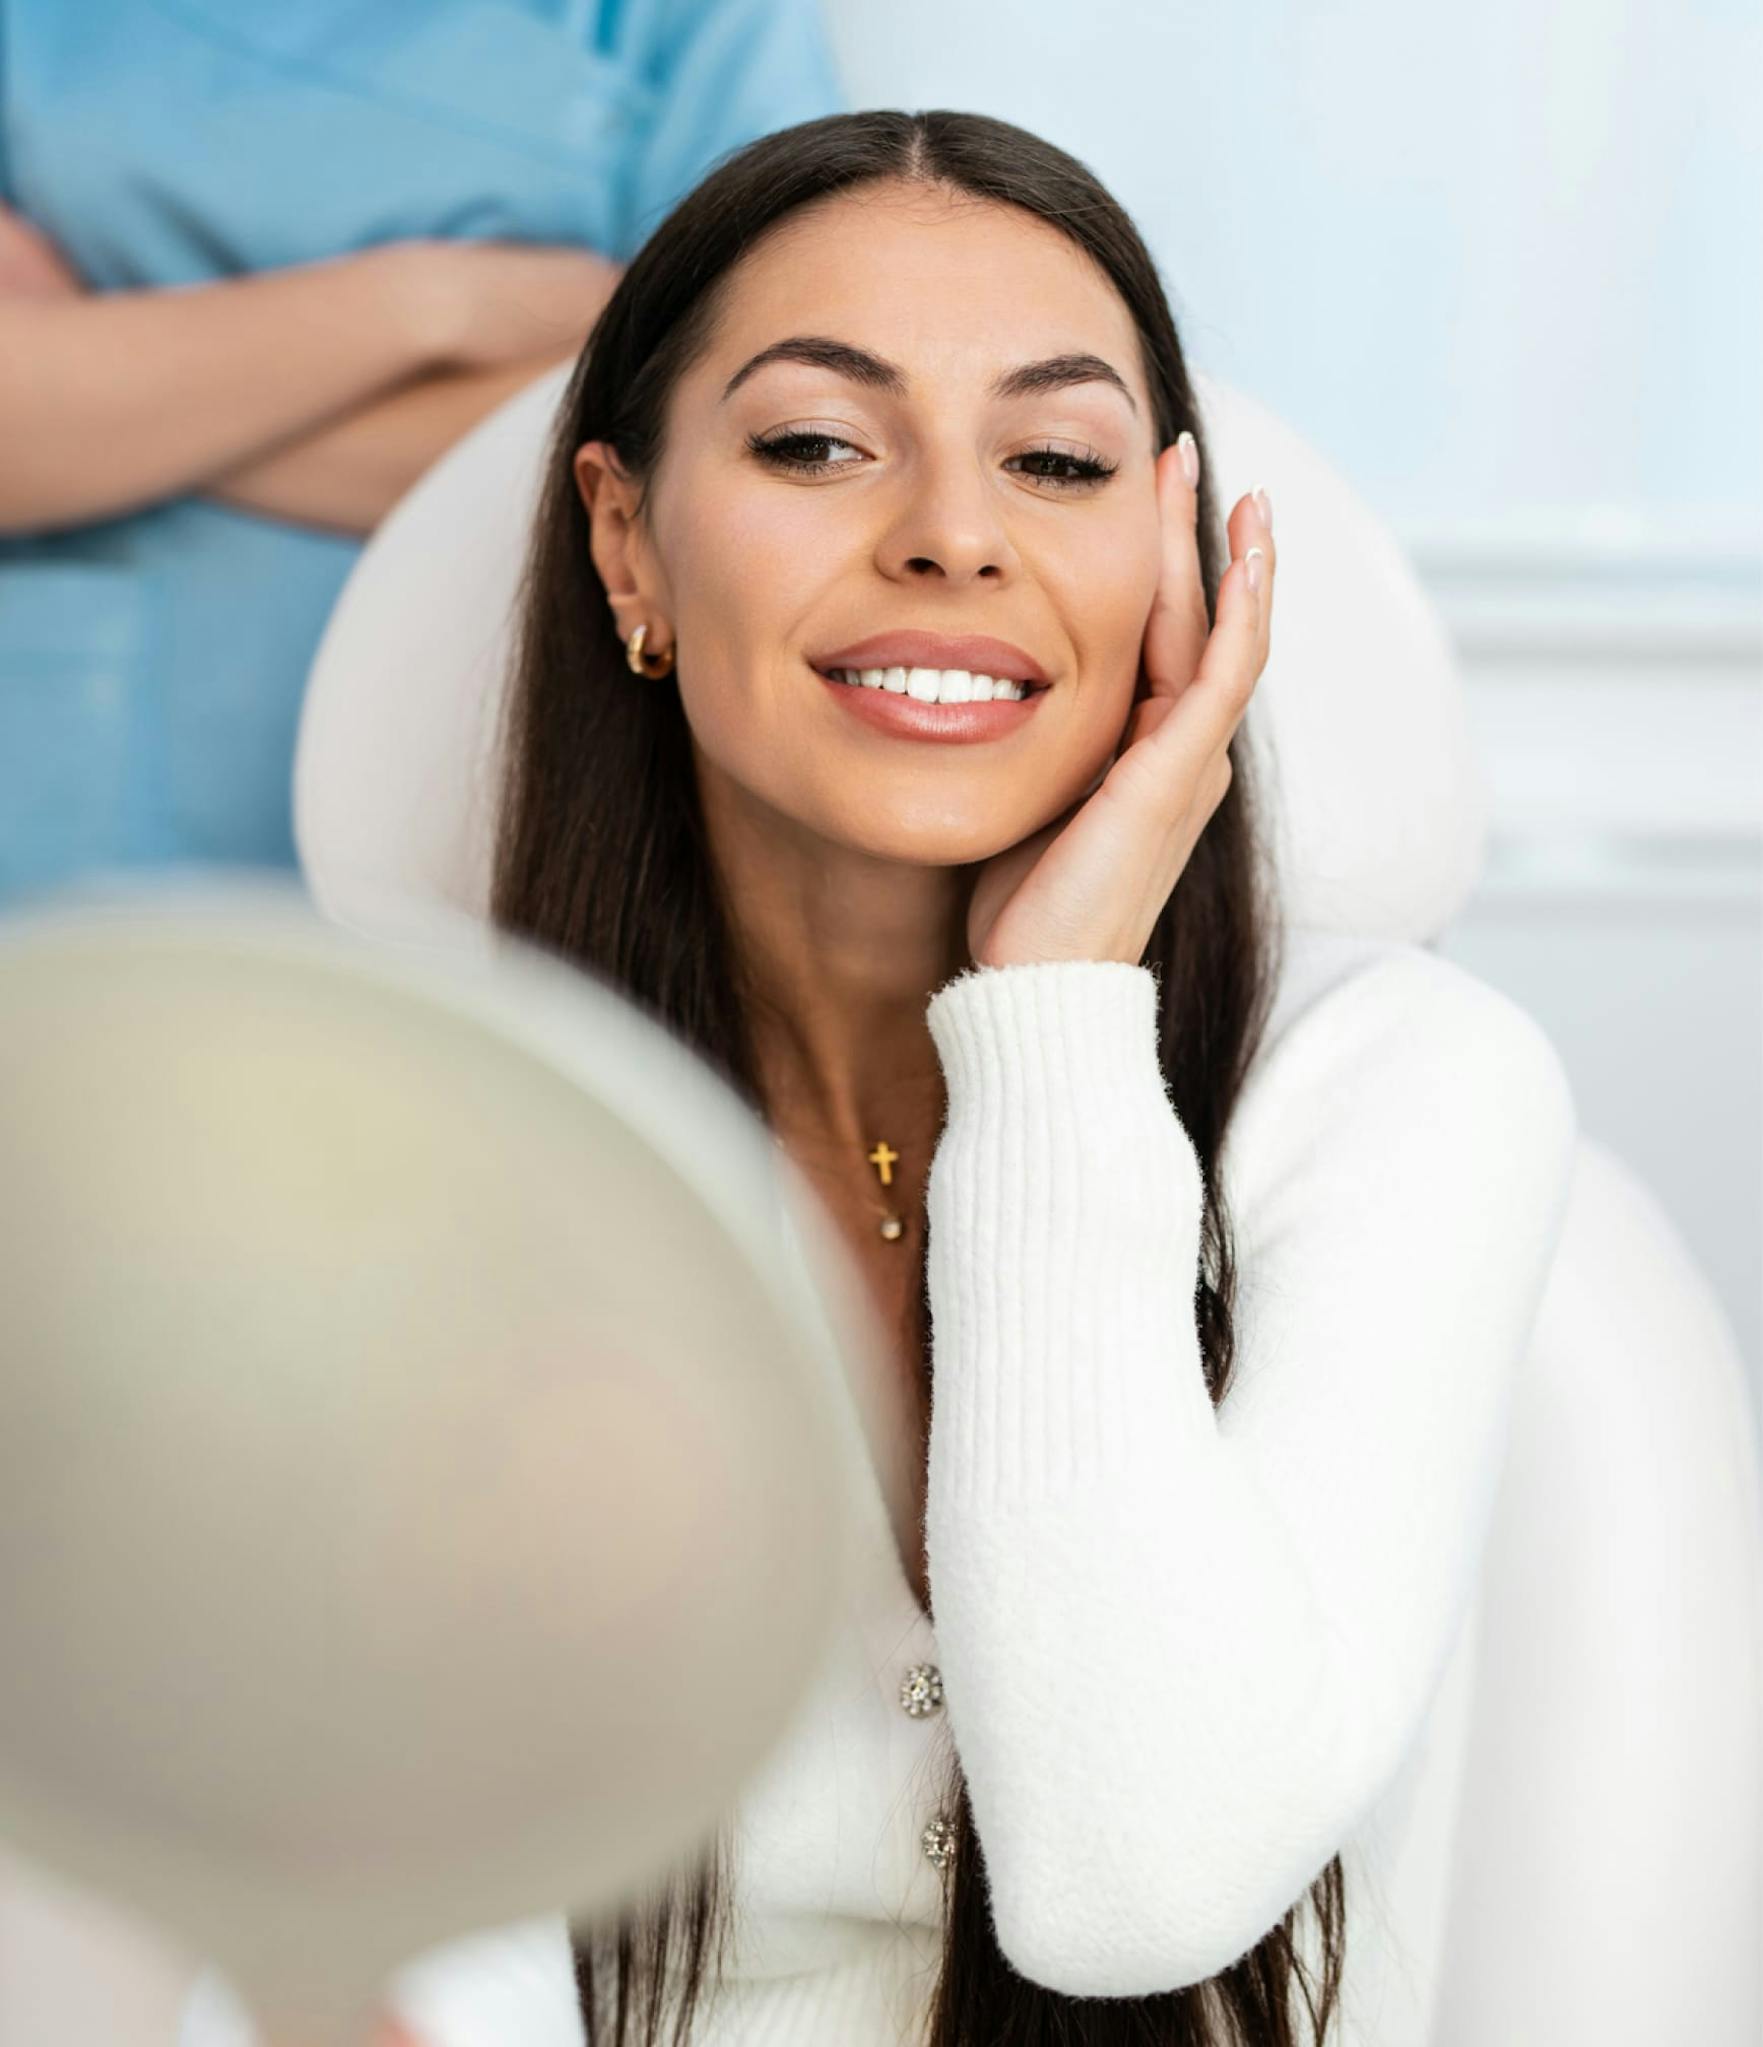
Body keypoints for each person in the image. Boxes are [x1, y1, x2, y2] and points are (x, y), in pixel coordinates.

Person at [185, 107, 1580, 2047]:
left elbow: (1129, 1886)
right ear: (624, 539)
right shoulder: (394, 1166)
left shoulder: (1407, 1091)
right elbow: (409, 1953)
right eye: (815, 442)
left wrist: (1050, 1016)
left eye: (1056, 458)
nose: (948, 526)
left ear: (1165, 556)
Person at [0, 0, 847, 905]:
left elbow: (741, 430)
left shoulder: (688, 20)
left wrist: (108, 389)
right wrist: (438, 303)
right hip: (63, 798)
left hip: (505, 759)